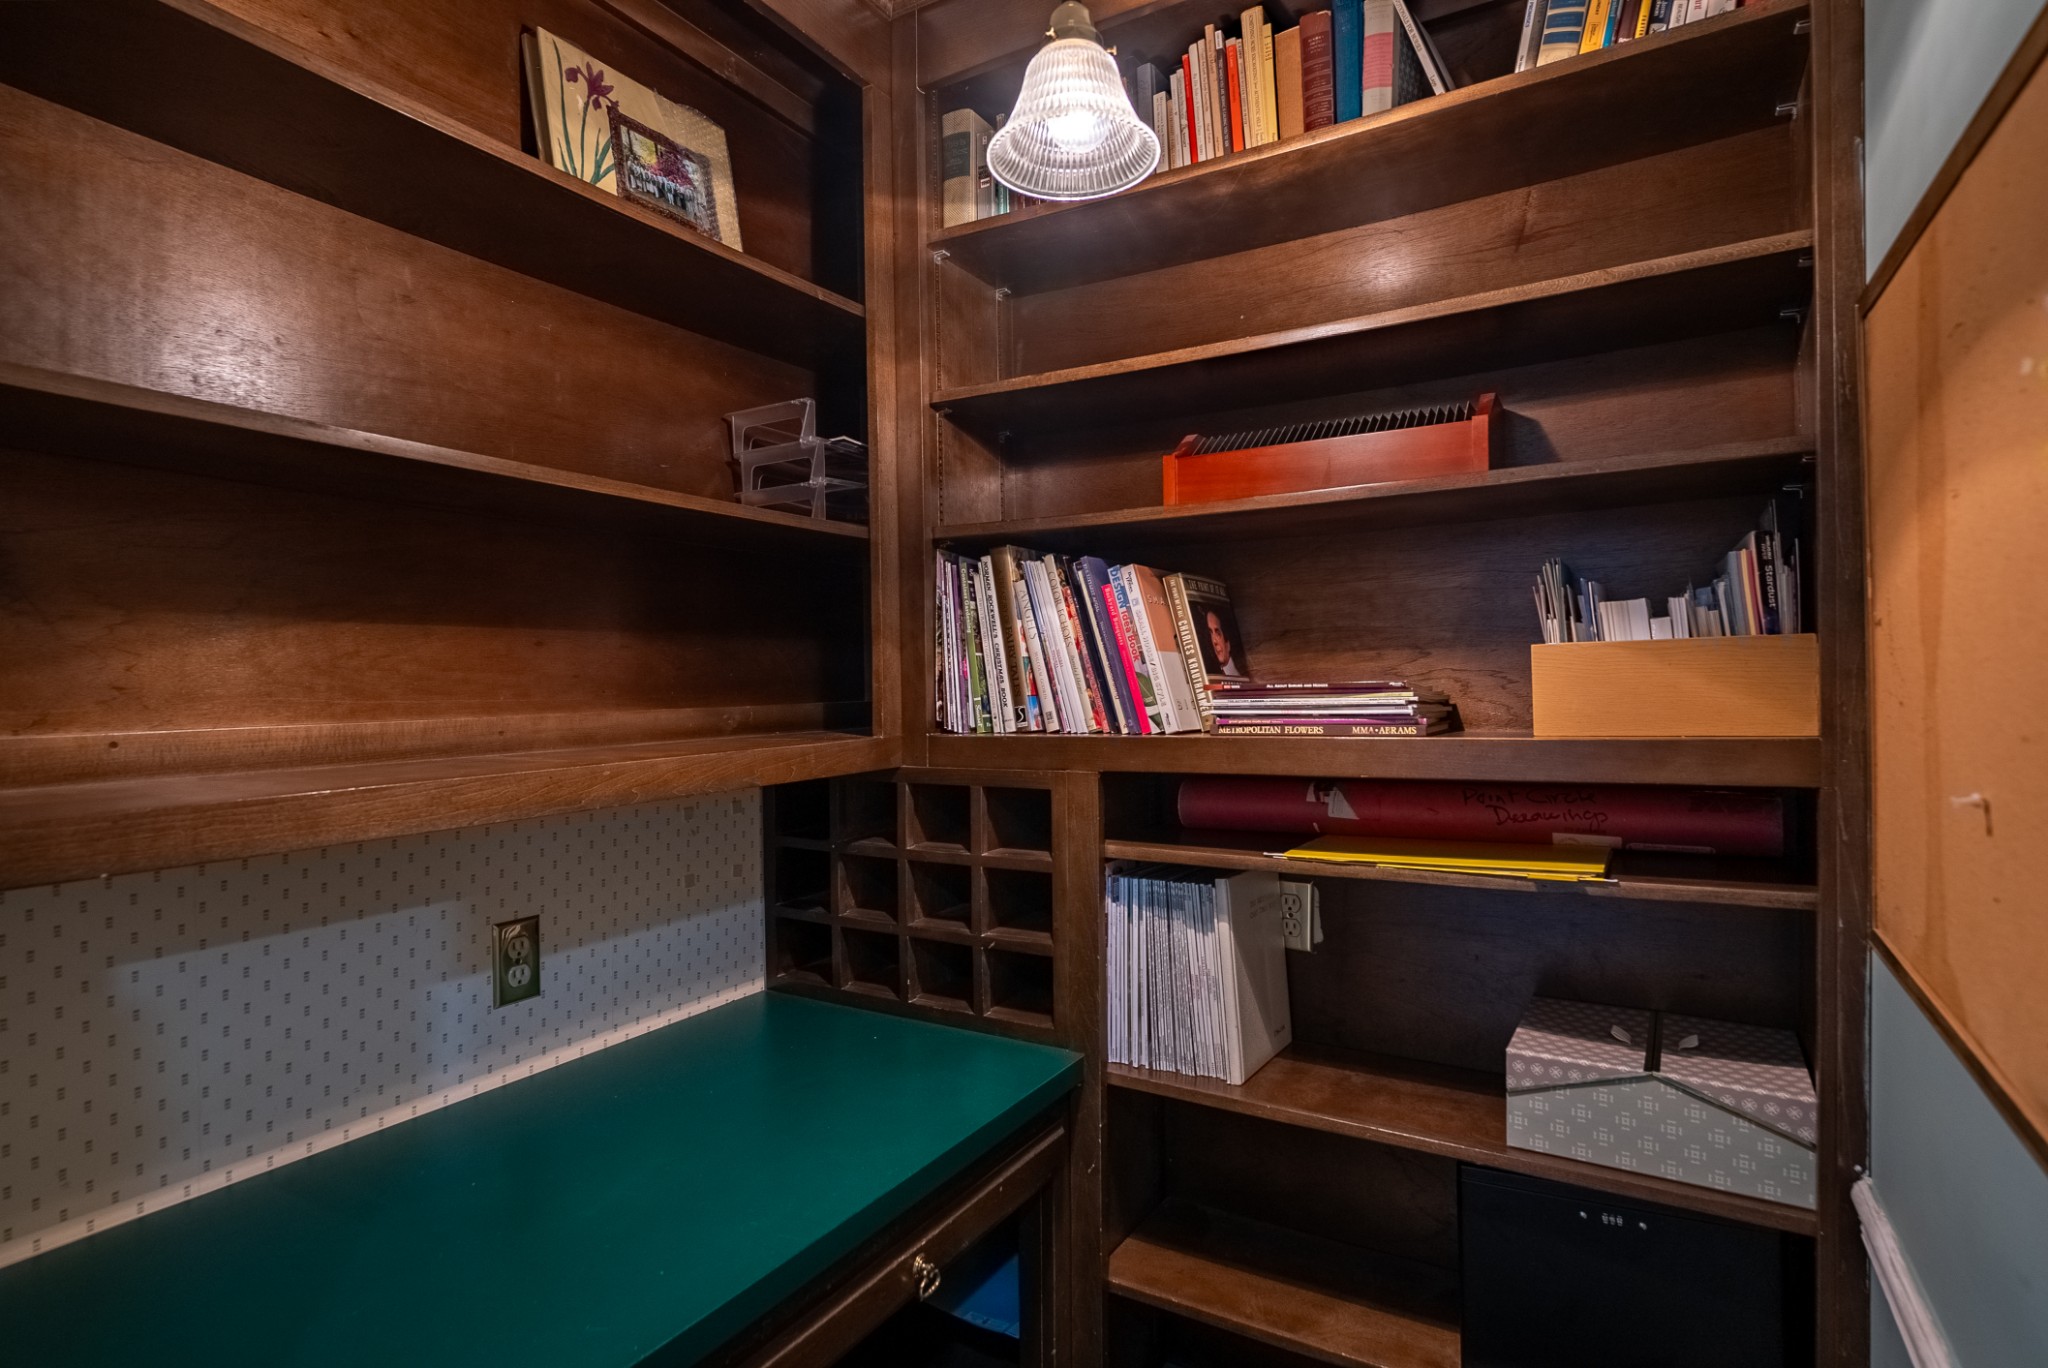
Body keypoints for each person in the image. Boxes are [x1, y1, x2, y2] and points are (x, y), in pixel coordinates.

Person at [1205, 608, 1245, 678]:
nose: (1214, 641)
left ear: (1227, 642)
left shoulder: (1241, 675)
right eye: (1210, 634)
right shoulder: (1213, 675)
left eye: (1218, 634)